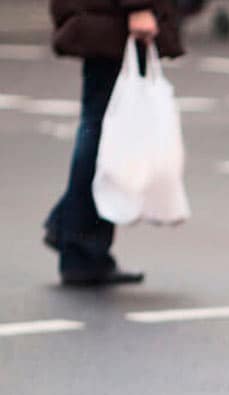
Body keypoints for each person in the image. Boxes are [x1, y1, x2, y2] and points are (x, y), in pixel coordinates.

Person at [46, 0, 185, 287]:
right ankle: (79, 246)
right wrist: (139, 6)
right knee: (103, 129)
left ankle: (71, 230)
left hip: (104, 14)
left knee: (101, 124)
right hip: (113, 16)